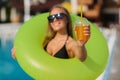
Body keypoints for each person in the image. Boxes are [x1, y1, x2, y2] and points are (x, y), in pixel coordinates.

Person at [11, 4, 90, 62]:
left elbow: (82, 57)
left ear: (67, 20)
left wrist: (80, 45)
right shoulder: (45, 41)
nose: (55, 20)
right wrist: (19, 54)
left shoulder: (70, 43)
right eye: (51, 17)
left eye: (59, 16)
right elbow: (34, 59)